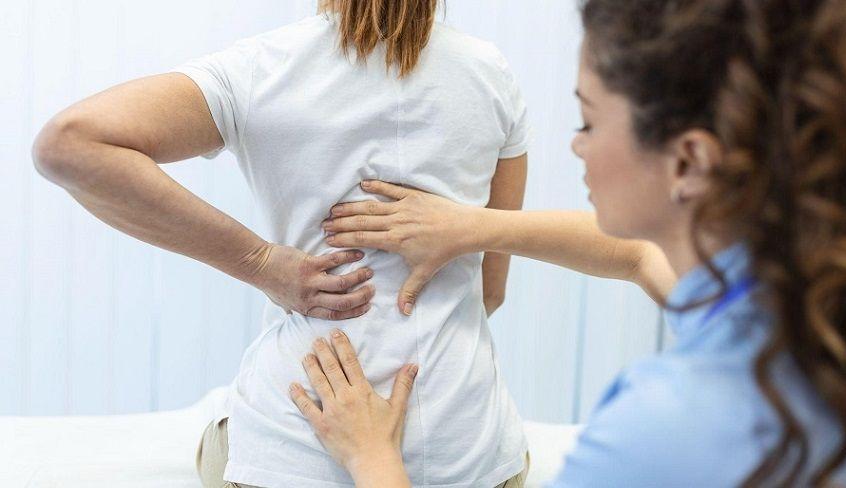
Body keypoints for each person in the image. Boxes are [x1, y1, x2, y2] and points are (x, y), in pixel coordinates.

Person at [289, 0, 846, 486]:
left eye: (589, 119)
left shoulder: (662, 428)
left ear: (689, 161)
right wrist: (474, 227)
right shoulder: (827, 302)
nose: (577, 145)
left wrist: (373, 459)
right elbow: (637, 257)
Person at [32, 0, 549, 486]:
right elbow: (491, 291)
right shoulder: (490, 72)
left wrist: (261, 262)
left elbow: (69, 143)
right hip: (472, 460)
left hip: (288, 457)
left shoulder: (262, 67)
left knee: (220, 432)